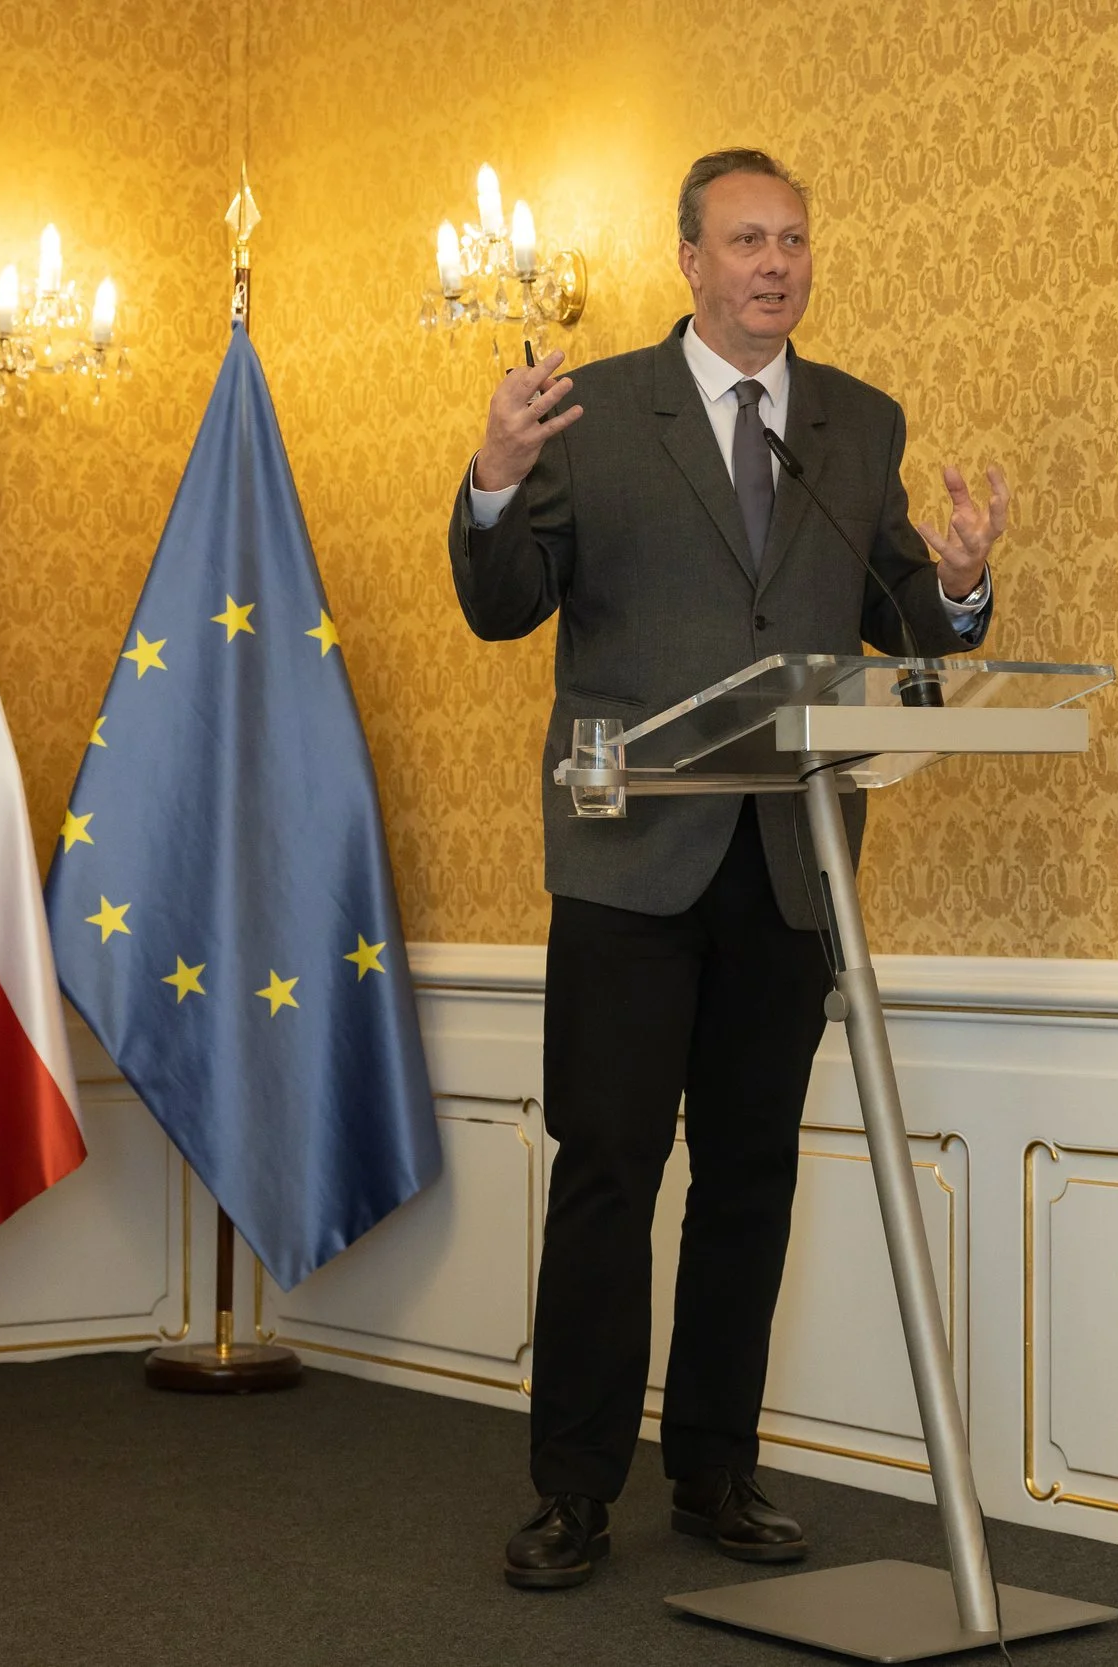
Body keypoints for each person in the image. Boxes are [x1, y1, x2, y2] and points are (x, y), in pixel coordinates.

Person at [445, 148, 1012, 1590]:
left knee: (751, 1173)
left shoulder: (857, 423)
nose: (776, 263)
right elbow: (504, 606)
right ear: (689, 259)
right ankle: (574, 1491)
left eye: (795, 240)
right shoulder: (593, 414)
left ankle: (714, 1468)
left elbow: (900, 616)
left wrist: (956, 586)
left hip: (789, 859)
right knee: (610, 1173)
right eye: (749, 240)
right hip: (630, 859)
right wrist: (496, 478)